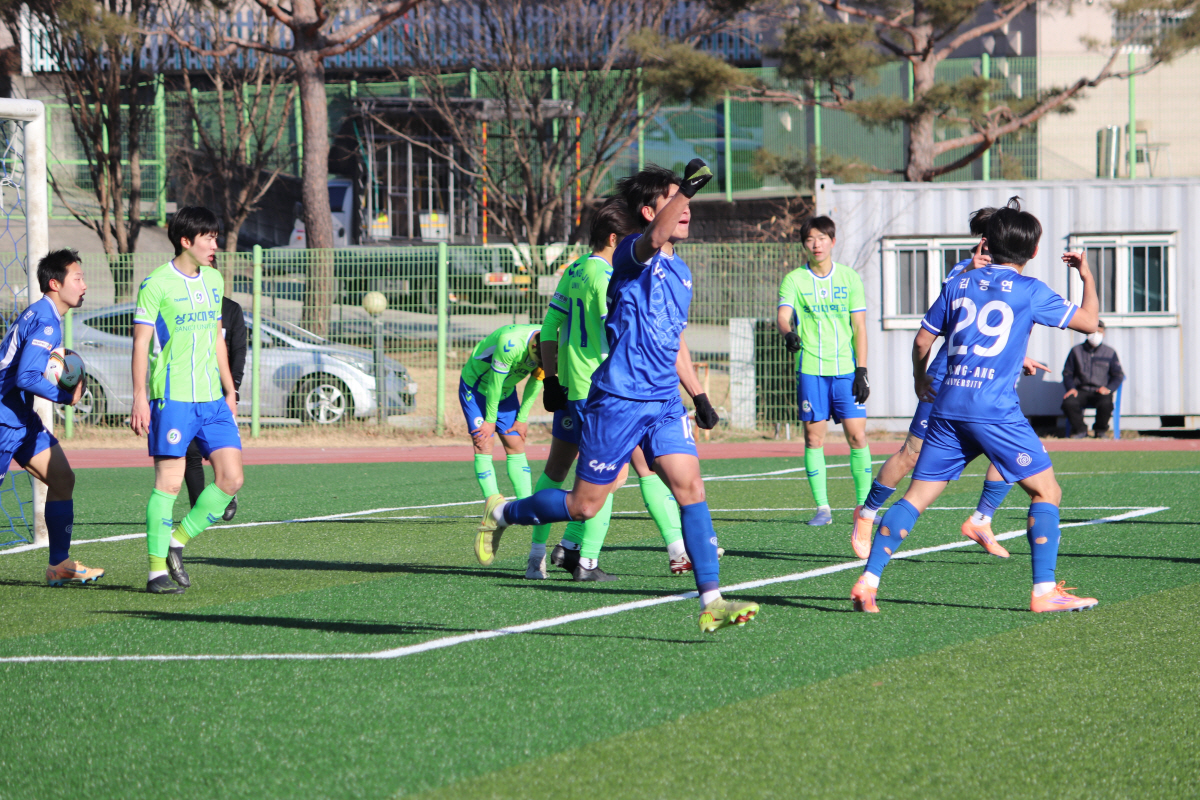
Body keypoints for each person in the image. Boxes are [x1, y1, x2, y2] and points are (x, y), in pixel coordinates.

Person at [477, 160, 759, 634]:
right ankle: (503, 512)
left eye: (686, 201)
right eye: (674, 202)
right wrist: (686, 190)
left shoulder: (683, 272)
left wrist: (699, 395)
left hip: (664, 402)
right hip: (619, 400)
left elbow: (675, 339)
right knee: (584, 505)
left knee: (691, 489)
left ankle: (711, 599)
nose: (686, 210)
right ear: (650, 212)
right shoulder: (632, 253)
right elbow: (650, 242)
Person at [851, 202, 1102, 614]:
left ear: (988, 242)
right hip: (995, 410)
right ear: (1034, 251)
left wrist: (919, 379)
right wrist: (1085, 274)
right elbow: (1091, 322)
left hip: (948, 404)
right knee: (1046, 490)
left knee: (915, 497)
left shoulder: (958, 282)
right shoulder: (1031, 290)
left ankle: (869, 579)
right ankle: (1043, 591)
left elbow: (921, 343)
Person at [850, 200, 1049, 560]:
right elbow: (949, 321)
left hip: (991, 386)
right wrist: (965, 273)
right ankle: (866, 513)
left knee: (1007, 455)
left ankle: (982, 518)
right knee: (911, 453)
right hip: (948, 379)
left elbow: (997, 331)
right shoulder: (964, 271)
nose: (987, 245)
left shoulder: (1012, 272)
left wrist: (1021, 357)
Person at [531, 197, 695, 582]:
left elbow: (549, 329)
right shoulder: (608, 274)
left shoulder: (571, 271)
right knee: (625, 474)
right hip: (607, 389)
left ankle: (540, 555)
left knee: (558, 472)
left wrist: (552, 379)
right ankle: (585, 557)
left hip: (573, 386)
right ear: (614, 237)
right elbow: (621, 327)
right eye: (629, 240)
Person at [132, 206, 245, 594]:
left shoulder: (214, 279)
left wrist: (230, 389)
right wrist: (139, 398)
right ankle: (154, 573)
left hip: (212, 399)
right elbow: (141, 343)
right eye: (209, 237)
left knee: (231, 478)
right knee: (169, 484)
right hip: (174, 399)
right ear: (186, 240)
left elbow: (217, 339)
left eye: (216, 236)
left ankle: (176, 544)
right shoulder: (156, 284)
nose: (216, 244)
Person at [0, 249, 101, 586]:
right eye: (78, 278)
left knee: (61, 479)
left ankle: (59, 564)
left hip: (18, 418)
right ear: (55, 284)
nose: (84, 285)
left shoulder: (42, 314)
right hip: (2, 420)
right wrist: (65, 397)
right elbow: (26, 377)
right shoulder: (45, 320)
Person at [777, 216, 871, 527]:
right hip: (811, 371)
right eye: (809, 240)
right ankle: (823, 508)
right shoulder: (794, 280)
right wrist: (788, 332)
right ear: (804, 245)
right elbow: (783, 315)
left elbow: (859, 327)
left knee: (857, 436)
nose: (816, 244)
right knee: (814, 438)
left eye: (821, 238)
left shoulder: (849, 278)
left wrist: (862, 369)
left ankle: (864, 507)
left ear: (832, 241)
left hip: (846, 371)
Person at [460, 323, 543, 518]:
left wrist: (522, 418)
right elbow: (494, 384)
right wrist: (489, 420)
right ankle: (493, 506)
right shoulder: (511, 343)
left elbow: (537, 381)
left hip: (506, 391)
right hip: (477, 388)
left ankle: (525, 505)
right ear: (532, 347)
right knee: (483, 442)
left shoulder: (552, 344)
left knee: (515, 441)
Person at [184, 295, 246, 520]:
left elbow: (238, 351)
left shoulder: (230, 309)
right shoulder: (183, 307)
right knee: (190, 453)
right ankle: (199, 509)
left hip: (218, 394)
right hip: (188, 391)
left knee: (217, 451)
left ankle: (226, 494)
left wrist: (233, 389)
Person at [1061, 319, 1123, 438]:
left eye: (1099, 331)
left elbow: (1118, 375)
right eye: (1093, 331)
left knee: (1106, 403)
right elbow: (1067, 373)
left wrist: (1109, 388)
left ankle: (1100, 431)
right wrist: (1071, 388)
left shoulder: (1110, 352)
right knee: (1069, 402)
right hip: (1081, 390)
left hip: (1100, 391)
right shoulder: (1076, 351)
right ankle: (1080, 430)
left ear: (1103, 333)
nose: (1096, 335)